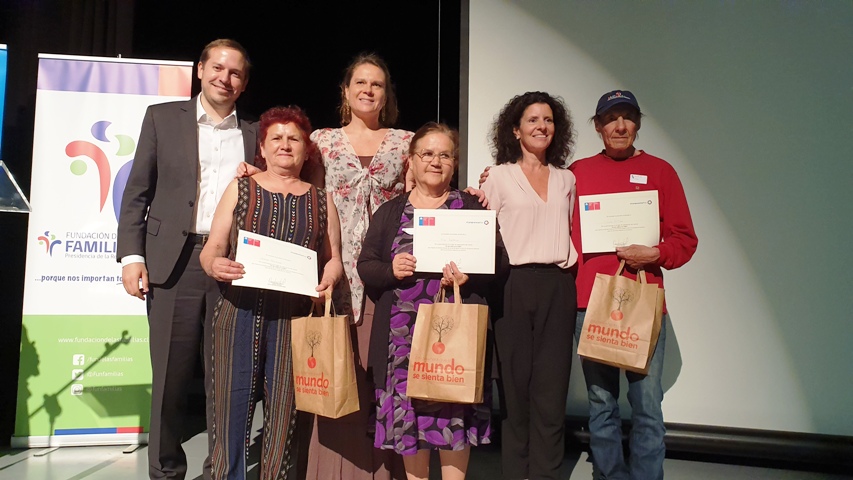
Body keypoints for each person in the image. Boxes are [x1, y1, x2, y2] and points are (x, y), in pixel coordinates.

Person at [117, 39, 256, 480]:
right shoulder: (161, 118)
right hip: (171, 265)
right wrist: (132, 256)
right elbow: (137, 191)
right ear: (200, 70)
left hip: (233, 266)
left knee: (226, 381)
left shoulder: (255, 134)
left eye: (235, 73)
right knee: (170, 383)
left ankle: (221, 469)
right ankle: (166, 471)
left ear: (244, 83)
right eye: (217, 68)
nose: (224, 78)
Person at [199, 106, 343, 480]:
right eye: (276, 138)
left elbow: (334, 260)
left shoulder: (321, 200)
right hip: (236, 314)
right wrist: (215, 265)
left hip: (293, 323)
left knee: (284, 416)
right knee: (228, 413)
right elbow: (212, 248)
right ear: (261, 147)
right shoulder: (241, 187)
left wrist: (327, 280)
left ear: (306, 149)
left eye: (294, 138)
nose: (285, 145)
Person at [358, 122, 498, 480]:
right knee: (410, 428)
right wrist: (391, 270)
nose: (436, 162)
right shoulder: (390, 212)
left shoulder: (471, 208)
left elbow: (501, 263)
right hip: (401, 345)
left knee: (452, 424)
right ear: (411, 161)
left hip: (454, 344)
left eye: (445, 155)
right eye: (427, 154)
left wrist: (471, 276)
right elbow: (366, 266)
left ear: (454, 163)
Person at [570, 90, 698, 480]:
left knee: (646, 405)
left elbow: (685, 240)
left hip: (643, 304)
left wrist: (655, 254)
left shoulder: (661, 172)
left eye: (627, 117)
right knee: (601, 402)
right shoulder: (578, 172)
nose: (620, 126)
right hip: (589, 304)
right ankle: (608, 475)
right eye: (611, 118)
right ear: (597, 126)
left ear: (638, 124)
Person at [305, 53, 412, 479]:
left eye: (377, 85)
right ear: (346, 92)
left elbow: (421, 197)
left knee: (381, 374)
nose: (368, 90)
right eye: (360, 83)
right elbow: (303, 195)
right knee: (337, 373)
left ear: (386, 95)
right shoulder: (322, 141)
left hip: (389, 271)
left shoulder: (405, 142)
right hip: (335, 271)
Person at [480, 91, 579, 479]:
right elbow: (482, 228)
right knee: (516, 394)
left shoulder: (566, 179)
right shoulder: (498, 176)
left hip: (557, 285)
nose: (542, 126)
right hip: (512, 287)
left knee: (551, 395)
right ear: (516, 130)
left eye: (548, 120)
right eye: (533, 120)